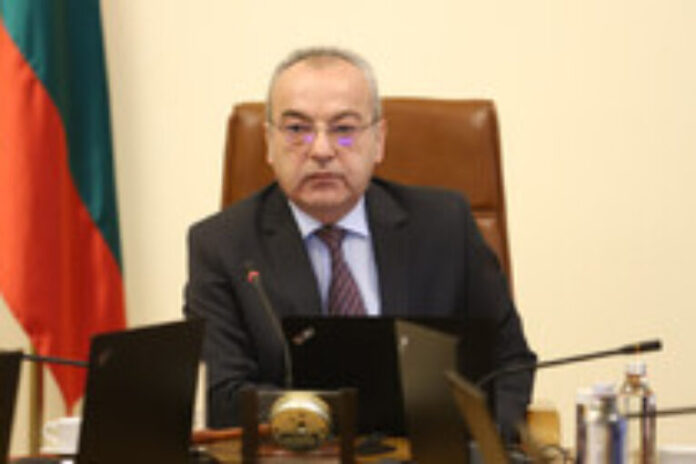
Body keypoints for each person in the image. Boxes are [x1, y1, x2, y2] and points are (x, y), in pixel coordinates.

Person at [184, 47, 536, 441]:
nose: (321, 150)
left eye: (344, 129)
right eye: (297, 129)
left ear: (379, 140)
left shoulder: (445, 225)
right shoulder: (221, 245)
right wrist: (336, 422)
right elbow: (224, 399)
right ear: (268, 142)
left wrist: (482, 446)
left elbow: (509, 363)